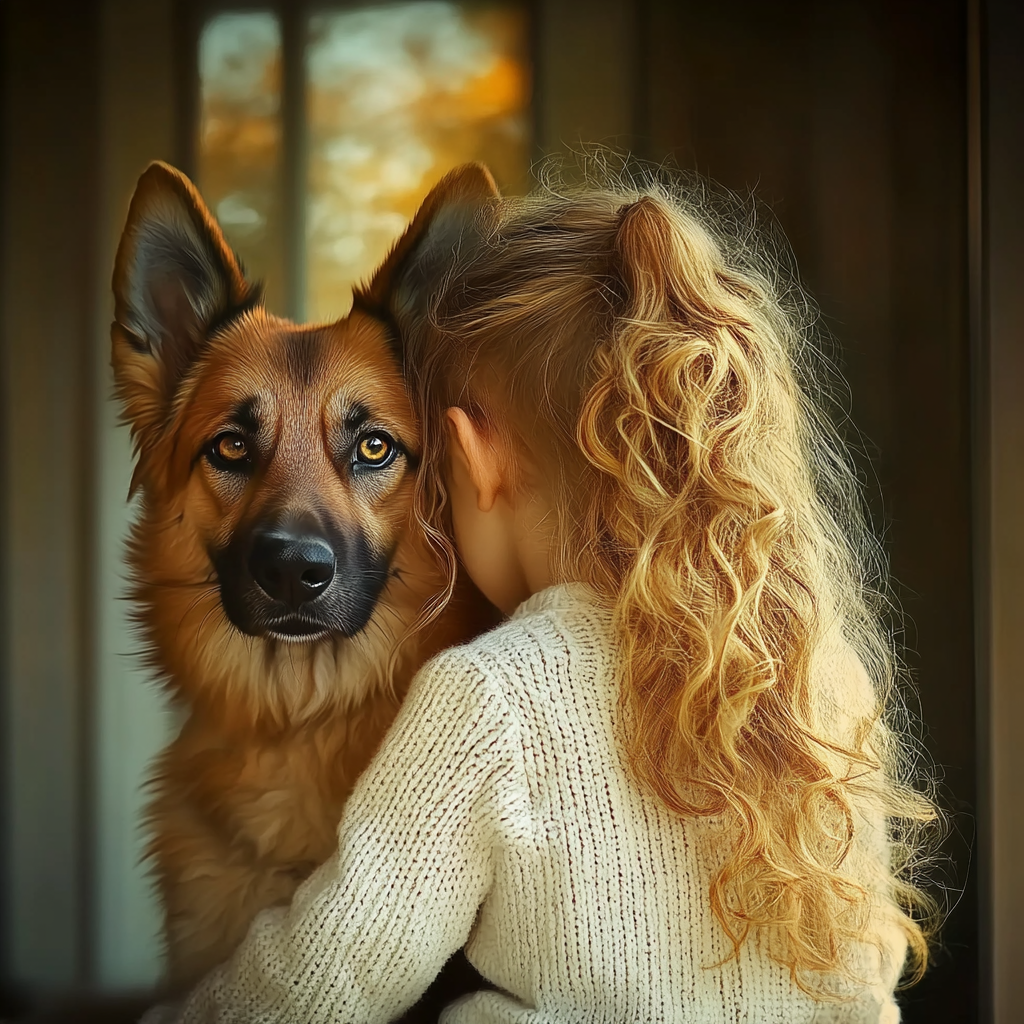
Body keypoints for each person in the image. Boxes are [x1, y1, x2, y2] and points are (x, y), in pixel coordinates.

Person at [144, 171, 938, 1023]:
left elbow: (330, 975)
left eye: (389, 456)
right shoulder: (820, 675)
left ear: (468, 458)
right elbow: (863, 983)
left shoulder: (491, 697)